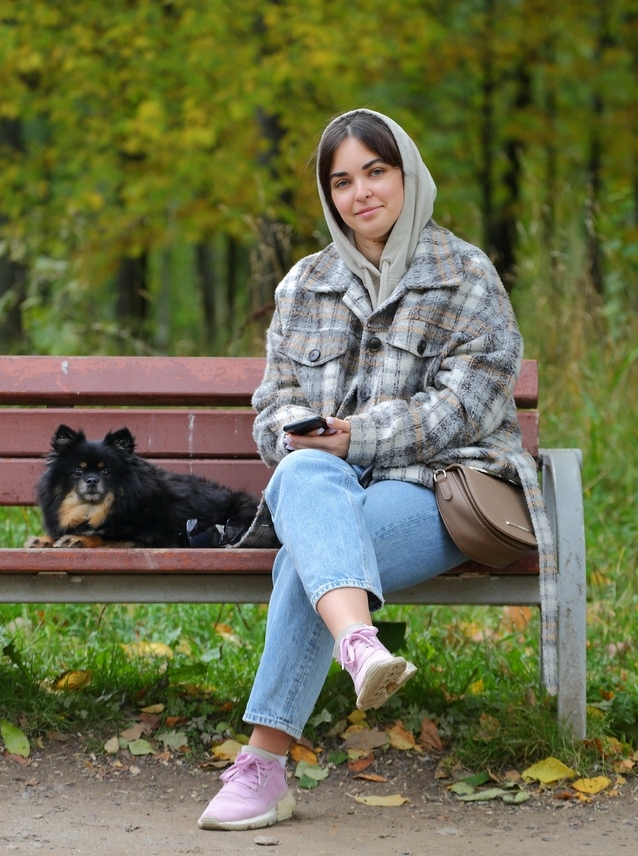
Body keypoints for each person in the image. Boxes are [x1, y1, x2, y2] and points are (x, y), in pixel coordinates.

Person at [197, 108, 553, 832]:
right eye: (342, 181)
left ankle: (264, 765)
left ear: (406, 174)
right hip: (323, 490)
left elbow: (463, 408)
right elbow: (272, 409)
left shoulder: (466, 275)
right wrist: (306, 436)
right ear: (328, 196)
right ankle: (359, 645)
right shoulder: (306, 284)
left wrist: (355, 437)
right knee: (302, 479)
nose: (360, 193)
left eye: (375, 171)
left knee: (308, 563)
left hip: (439, 492)